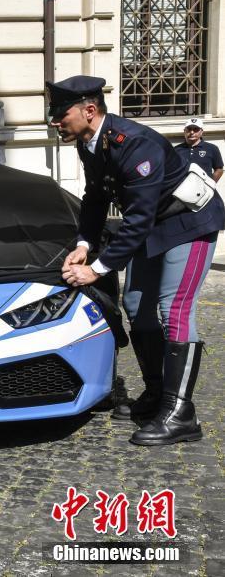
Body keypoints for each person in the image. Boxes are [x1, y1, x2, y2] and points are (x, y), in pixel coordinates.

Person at [47, 75, 225, 446]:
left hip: (190, 223)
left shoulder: (136, 144)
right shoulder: (89, 143)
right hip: (154, 226)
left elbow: (137, 218)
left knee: (173, 309)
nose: (55, 121)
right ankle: (157, 392)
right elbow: (96, 197)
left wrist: (95, 269)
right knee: (136, 306)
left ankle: (181, 414)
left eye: (61, 113)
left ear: (89, 110)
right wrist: (84, 242)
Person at [174, 117, 223, 182]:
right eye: (189, 129)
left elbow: (219, 169)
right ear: (184, 131)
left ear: (201, 132)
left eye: (196, 129)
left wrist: (210, 185)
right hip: (181, 190)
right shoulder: (176, 150)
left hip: (205, 190)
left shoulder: (212, 148)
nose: (192, 132)